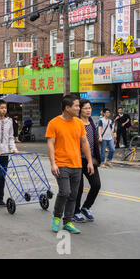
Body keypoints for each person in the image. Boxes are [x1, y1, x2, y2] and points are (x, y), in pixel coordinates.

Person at [46, 95, 94, 234]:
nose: (79, 108)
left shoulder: (78, 123)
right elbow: (50, 144)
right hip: (61, 164)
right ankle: (56, 217)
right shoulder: (54, 123)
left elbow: (84, 142)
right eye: (77, 106)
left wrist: (90, 161)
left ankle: (67, 222)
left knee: (73, 194)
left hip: (77, 164)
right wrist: (53, 163)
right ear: (67, 108)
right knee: (65, 192)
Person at [74, 99, 101, 223]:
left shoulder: (91, 122)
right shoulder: (76, 123)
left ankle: (86, 207)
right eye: (85, 108)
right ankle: (75, 211)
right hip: (78, 160)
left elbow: (94, 142)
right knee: (78, 188)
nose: (88, 110)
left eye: (89, 108)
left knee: (96, 185)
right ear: (80, 109)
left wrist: (95, 157)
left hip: (90, 160)